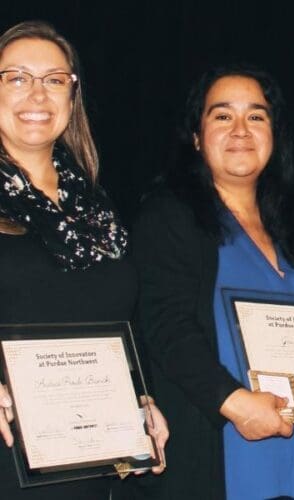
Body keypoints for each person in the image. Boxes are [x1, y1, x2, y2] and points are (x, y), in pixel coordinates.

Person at [130, 63, 294, 500]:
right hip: (220, 449)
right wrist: (235, 403)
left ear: (274, 134)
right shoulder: (168, 216)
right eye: (221, 115)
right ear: (196, 136)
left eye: (256, 116)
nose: (240, 129)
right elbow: (165, 327)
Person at [0, 20, 168, 500]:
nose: (37, 94)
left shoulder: (97, 207)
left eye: (54, 80)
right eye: (16, 78)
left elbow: (120, 324)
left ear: (72, 99)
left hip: (96, 465)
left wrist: (143, 399)